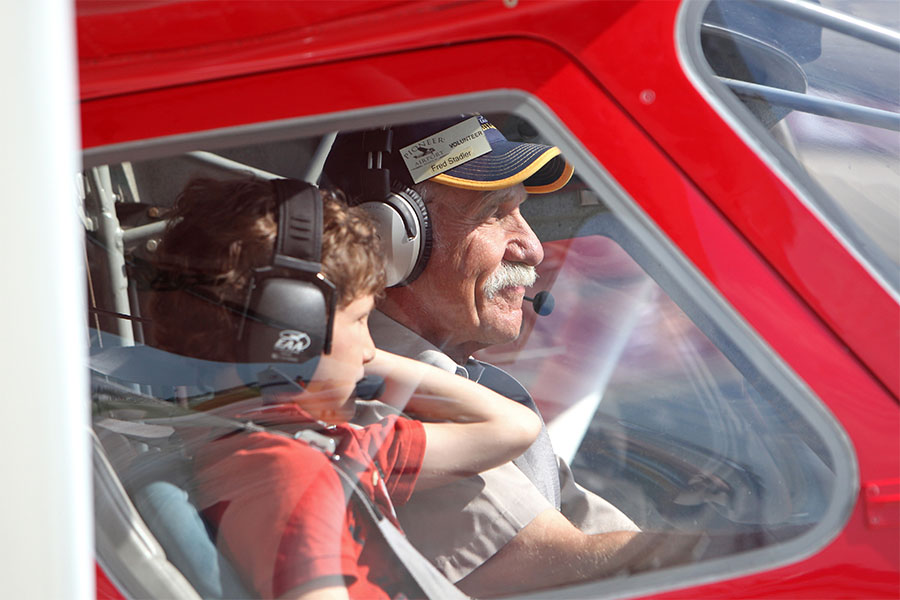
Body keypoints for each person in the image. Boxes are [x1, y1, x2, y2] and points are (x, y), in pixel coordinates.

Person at [323, 115, 680, 596]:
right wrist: (744, 547)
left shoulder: (468, 386)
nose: (533, 247)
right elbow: (558, 561)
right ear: (389, 240)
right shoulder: (379, 405)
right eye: (494, 212)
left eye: (522, 210)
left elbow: (596, 533)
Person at [147, 175, 542, 599]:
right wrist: (324, 354)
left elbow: (513, 427)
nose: (371, 349)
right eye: (359, 321)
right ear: (290, 329)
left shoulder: (319, 447)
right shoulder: (287, 472)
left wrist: (333, 351)